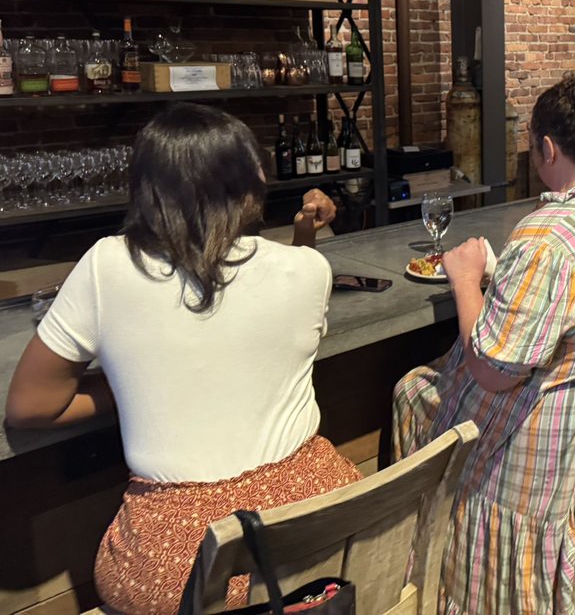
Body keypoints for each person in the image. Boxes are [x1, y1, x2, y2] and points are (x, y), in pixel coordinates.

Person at [5, 104, 359, 615]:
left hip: (184, 562)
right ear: (250, 181)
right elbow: (288, 295)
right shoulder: (309, 269)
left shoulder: (108, 264)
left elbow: (30, 406)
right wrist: (305, 230)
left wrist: (132, 383)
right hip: (318, 525)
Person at [392, 72, 575, 615]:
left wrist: (464, 276)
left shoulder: (548, 234)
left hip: (559, 448)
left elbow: (493, 370)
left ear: (548, 146)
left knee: (413, 390)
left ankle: (435, 579)